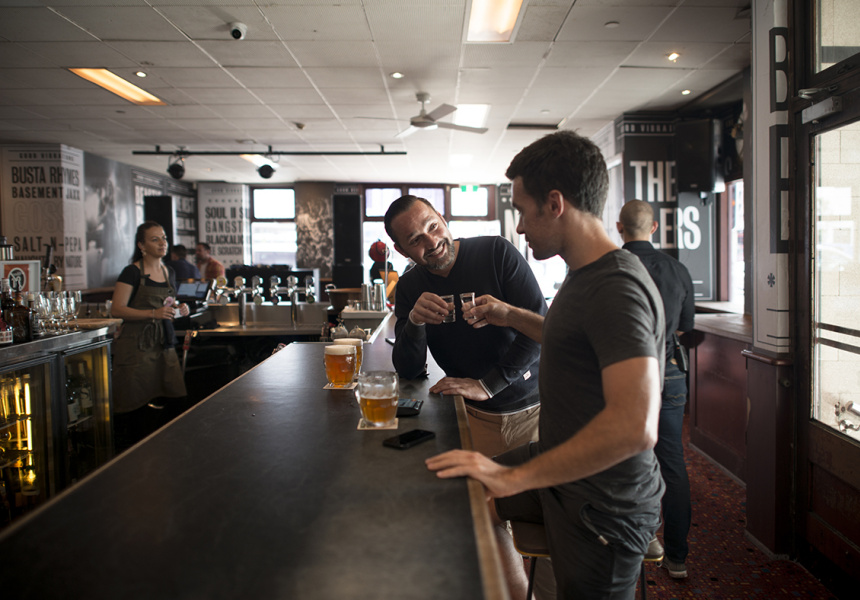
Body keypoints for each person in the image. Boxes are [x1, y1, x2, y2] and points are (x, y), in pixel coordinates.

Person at [426, 130, 666, 599]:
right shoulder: (584, 274)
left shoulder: (617, 288)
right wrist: (510, 314)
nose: (518, 227)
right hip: (563, 470)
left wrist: (512, 477)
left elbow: (636, 427)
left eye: (521, 211)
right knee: (462, 489)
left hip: (604, 502)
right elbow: (570, 340)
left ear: (554, 203)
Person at [384, 195, 547, 459]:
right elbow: (408, 370)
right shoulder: (408, 287)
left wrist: (488, 385)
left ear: (442, 218)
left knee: (536, 498)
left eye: (433, 226)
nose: (432, 242)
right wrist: (415, 321)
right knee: (480, 499)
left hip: (532, 411)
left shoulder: (496, 252)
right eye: (415, 240)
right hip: (468, 415)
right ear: (402, 250)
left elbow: (541, 330)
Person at [617, 199, 695, 579]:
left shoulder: (607, 268)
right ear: (653, 229)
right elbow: (684, 327)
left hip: (623, 378)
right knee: (673, 463)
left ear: (619, 227)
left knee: (625, 459)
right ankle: (677, 557)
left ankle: (632, 546)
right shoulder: (677, 270)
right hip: (670, 373)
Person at [111, 222, 190, 451]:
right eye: (154, 239)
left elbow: (168, 303)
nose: (162, 243)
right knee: (135, 404)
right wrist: (152, 313)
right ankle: (134, 454)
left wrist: (180, 308)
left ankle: (163, 449)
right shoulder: (132, 272)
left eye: (163, 238)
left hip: (163, 343)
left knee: (175, 397)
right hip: (136, 346)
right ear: (141, 245)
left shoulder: (169, 272)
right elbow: (117, 309)